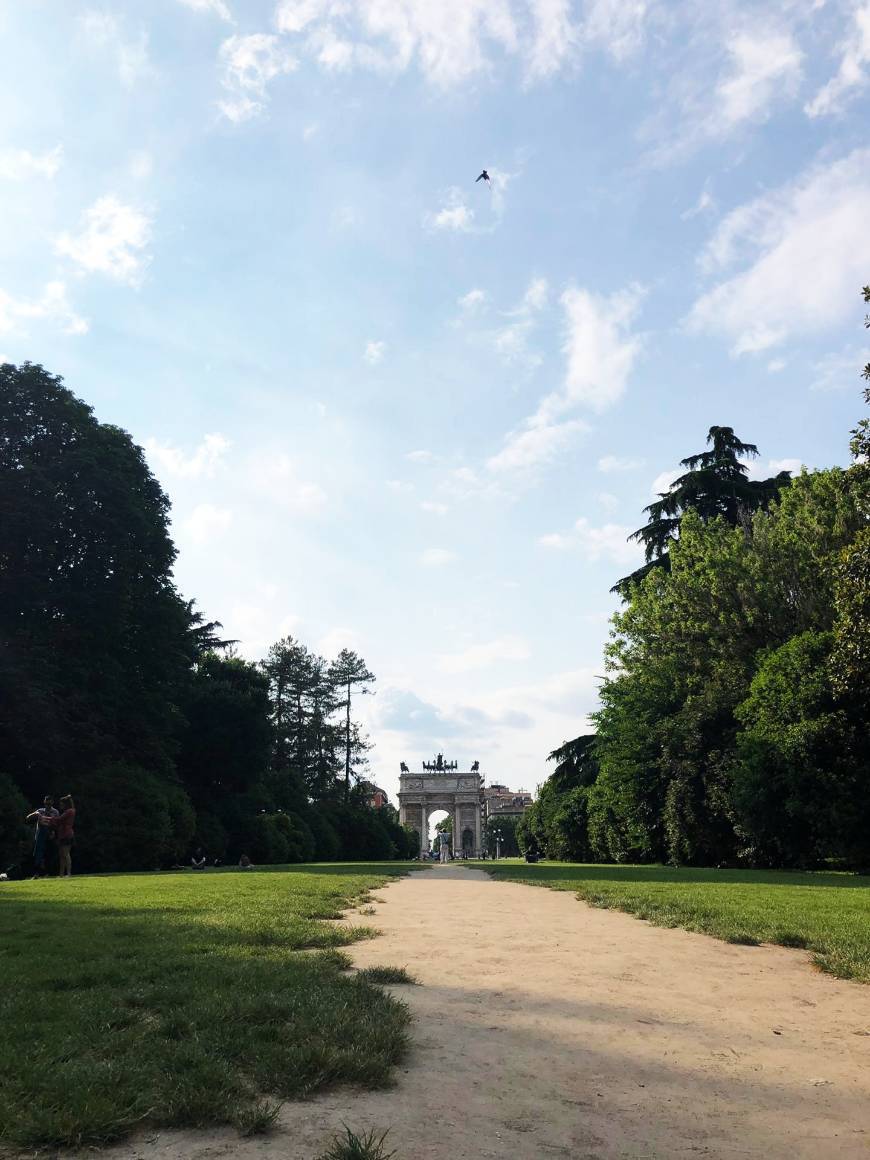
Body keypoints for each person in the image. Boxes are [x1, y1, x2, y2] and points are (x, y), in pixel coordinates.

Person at [25, 796, 59, 877]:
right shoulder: (40, 811)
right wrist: (35, 814)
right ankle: (36, 873)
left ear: (52, 803)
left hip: (50, 835)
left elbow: (57, 824)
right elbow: (27, 818)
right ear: (44, 803)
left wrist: (54, 832)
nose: (48, 805)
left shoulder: (55, 812)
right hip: (40, 835)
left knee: (49, 854)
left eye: (49, 804)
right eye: (47, 803)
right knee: (38, 854)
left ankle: (47, 873)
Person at [43, 795, 75, 877]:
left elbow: (59, 819)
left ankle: (68, 873)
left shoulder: (70, 811)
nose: (61, 805)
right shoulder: (67, 811)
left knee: (66, 854)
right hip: (62, 835)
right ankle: (61, 874)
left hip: (67, 834)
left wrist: (47, 818)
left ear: (66, 804)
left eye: (62, 804)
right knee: (61, 855)